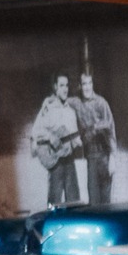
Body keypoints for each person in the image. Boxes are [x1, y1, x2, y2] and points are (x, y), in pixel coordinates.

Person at [31, 73, 82, 206]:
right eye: (61, 85)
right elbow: (36, 131)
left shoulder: (71, 112)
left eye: (67, 85)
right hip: (55, 163)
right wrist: (51, 136)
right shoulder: (48, 108)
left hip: (69, 160)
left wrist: (79, 142)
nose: (65, 89)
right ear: (55, 87)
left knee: (74, 201)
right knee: (54, 203)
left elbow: (75, 138)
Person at [70, 71, 117, 203]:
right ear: (80, 86)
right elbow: (62, 101)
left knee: (106, 201)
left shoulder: (101, 103)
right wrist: (50, 100)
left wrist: (113, 158)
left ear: (93, 85)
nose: (87, 87)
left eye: (89, 83)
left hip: (104, 157)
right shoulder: (77, 103)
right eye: (84, 84)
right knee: (93, 200)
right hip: (90, 157)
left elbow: (111, 130)